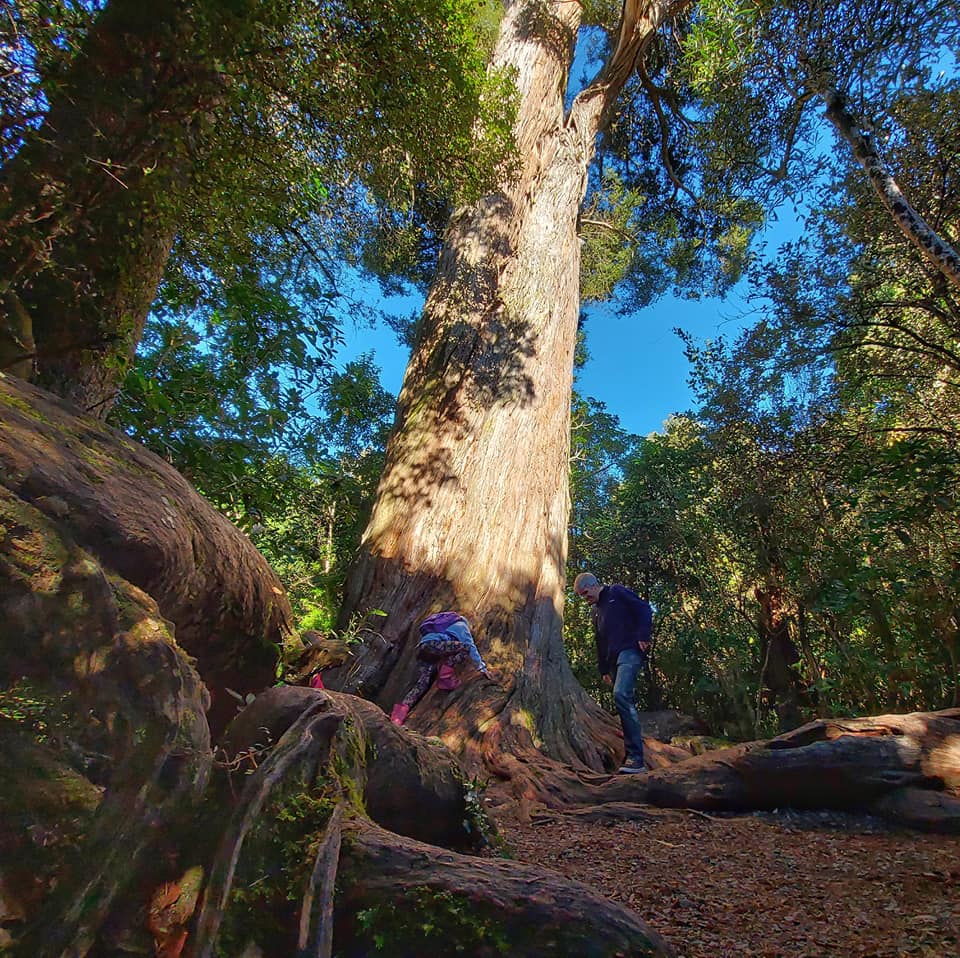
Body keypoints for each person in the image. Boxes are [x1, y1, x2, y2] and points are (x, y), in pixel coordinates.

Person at [573, 572, 652, 774]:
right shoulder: (596, 611)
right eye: (582, 596)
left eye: (585, 593)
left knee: (621, 694)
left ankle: (637, 758)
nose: (585, 598)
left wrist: (643, 634)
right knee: (623, 700)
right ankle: (630, 755)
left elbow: (643, 608)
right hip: (614, 659)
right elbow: (600, 640)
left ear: (593, 585)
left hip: (630, 651)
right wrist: (603, 669)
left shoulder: (616, 591)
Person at [390, 612, 489, 726]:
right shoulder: (461, 625)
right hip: (436, 644)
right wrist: (482, 668)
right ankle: (445, 678)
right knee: (465, 648)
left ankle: (398, 716)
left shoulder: (444, 625)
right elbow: (470, 645)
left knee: (422, 683)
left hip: (424, 647)